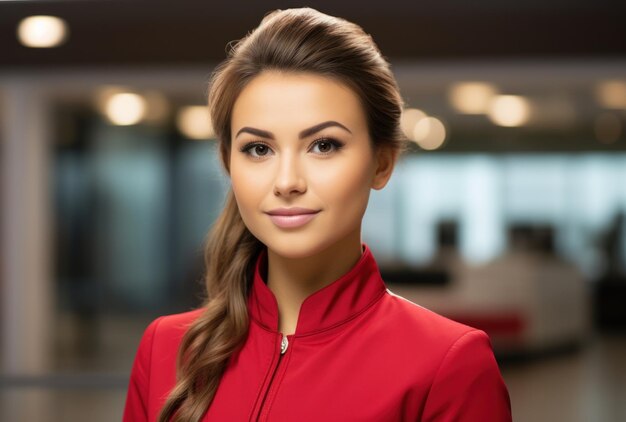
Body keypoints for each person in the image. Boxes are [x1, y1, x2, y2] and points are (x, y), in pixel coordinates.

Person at [123, 7, 512, 422]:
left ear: (382, 163)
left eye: (324, 145)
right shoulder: (166, 349)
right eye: (259, 149)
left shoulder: (448, 366)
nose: (287, 181)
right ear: (228, 163)